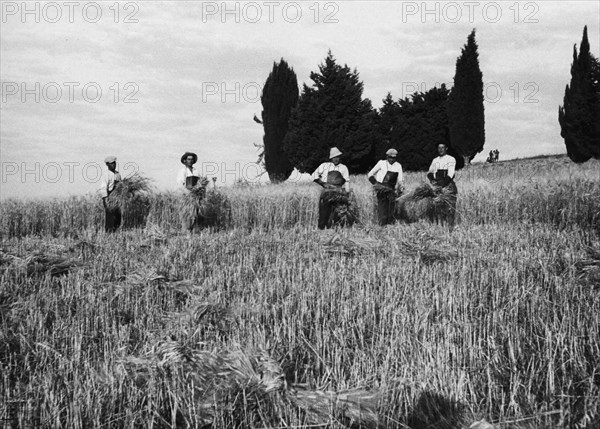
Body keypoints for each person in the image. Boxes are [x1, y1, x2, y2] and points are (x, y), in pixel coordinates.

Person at [312, 147, 350, 229]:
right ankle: (321, 231)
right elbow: (314, 175)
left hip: (338, 194)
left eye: (337, 157)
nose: (336, 159)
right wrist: (323, 184)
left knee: (337, 216)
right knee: (324, 215)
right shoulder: (324, 166)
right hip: (326, 193)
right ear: (331, 158)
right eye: (334, 157)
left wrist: (347, 193)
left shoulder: (343, 168)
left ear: (340, 157)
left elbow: (347, 181)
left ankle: (336, 233)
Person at [368, 148, 404, 226]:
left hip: (391, 191)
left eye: (393, 158)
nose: (391, 159)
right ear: (387, 157)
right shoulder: (381, 163)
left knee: (391, 211)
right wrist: (376, 184)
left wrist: (401, 187)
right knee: (382, 210)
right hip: (381, 190)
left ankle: (390, 227)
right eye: (390, 157)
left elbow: (400, 179)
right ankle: (381, 226)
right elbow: (370, 174)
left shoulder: (398, 166)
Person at [99, 155, 122, 233]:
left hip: (117, 197)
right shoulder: (106, 175)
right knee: (110, 216)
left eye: (114, 163)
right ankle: (109, 233)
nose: (113, 165)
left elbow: (120, 185)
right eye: (111, 163)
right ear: (107, 165)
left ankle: (116, 231)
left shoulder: (117, 174)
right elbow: (103, 188)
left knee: (118, 215)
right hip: (109, 197)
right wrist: (105, 199)